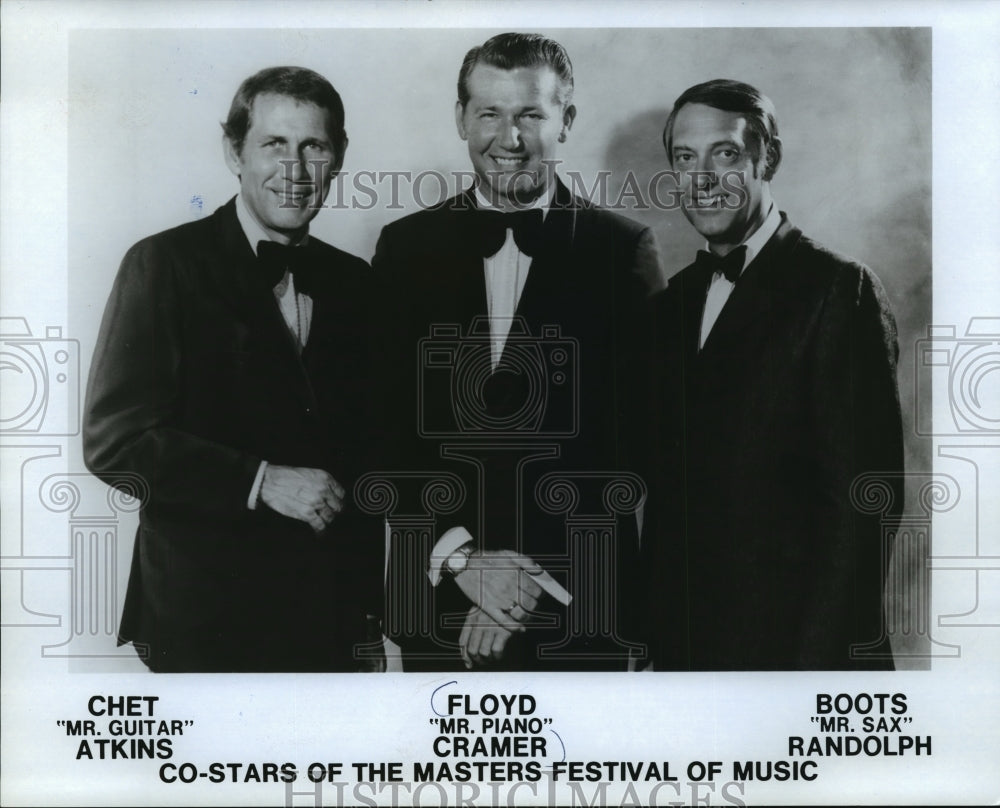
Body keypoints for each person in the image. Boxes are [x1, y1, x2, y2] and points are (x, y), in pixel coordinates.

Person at [373, 33, 665, 671]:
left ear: (566, 121)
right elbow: (384, 433)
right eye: (490, 113)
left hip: (581, 605)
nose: (510, 138)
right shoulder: (403, 249)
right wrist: (465, 563)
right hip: (438, 602)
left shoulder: (623, 250)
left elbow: (636, 444)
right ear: (460, 119)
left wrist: (519, 585)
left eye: (531, 114)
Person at [83, 66, 384, 672]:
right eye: (274, 144)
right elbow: (115, 443)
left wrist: (367, 619)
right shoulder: (162, 264)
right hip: (203, 625)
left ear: (340, 156)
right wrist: (260, 479)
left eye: (314, 147)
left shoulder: (357, 281)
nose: (295, 172)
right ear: (233, 152)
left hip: (330, 624)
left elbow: (368, 452)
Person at [641, 79, 904, 670]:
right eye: (685, 158)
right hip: (687, 661)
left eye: (725, 154)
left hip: (801, 661)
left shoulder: (838, 289)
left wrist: (808, 678)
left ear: (768, 158)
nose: (702, 178)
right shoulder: (669, 307)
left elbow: (865, 507)